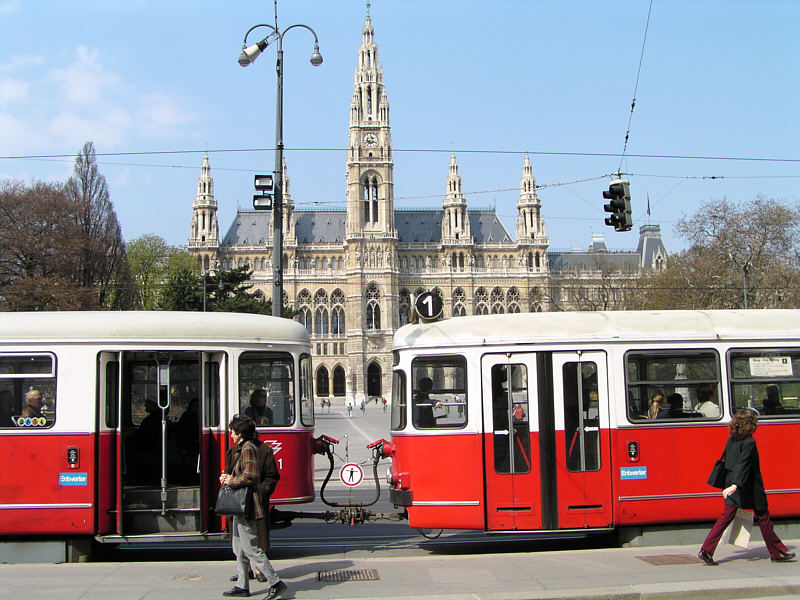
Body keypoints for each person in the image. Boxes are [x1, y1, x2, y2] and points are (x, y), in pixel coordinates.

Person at [698, 408, 795, 565]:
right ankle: (777, 551)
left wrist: (731, 484)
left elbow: (728, 461)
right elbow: (743, 464)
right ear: (750, 424)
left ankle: (706, 550)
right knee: (763, 517)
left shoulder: (731, 439)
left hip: (733, 483)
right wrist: (736, 485)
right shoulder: (750, 442)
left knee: (725, 517)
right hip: (748, 486)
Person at [220, 415, 287, 599]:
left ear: (239, 433)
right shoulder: (240, 448)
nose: (230, 434)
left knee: (250, 547)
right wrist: (226, 477)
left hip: (247, 504)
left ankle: (276, 582)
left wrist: (231, 480)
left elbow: (250, 476)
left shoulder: (248, 448)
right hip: (239, 505)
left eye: (232, 430)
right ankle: (242, 584)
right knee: (238, 547)